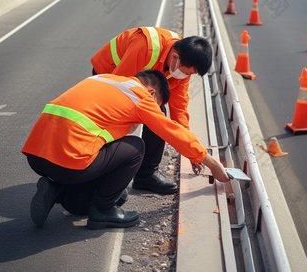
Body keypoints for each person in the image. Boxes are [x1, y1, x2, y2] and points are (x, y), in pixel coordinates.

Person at [22, 70, 229, 230]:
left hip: (36, 155)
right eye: (157, 105)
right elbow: (172, 132)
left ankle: (57, 191)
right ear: (152, 93)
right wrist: (212, 163)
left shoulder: (104, 79)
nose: (154, 109)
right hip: (68, 162)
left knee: (116, 195)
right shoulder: (140, 96)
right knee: (136, 147)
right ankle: (102, 211)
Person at [90, 27, 212, 195]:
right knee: (113, 119)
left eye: (189, 74)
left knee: (159, 116)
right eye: (186, 72)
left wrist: (192, 152)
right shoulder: (144, 47)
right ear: (175, 58)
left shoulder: (182, 64)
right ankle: (97, 171)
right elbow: (117, 90)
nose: (185, 76)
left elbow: (180, 110)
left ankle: (145, 176)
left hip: (145, 83)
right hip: (109, 75)